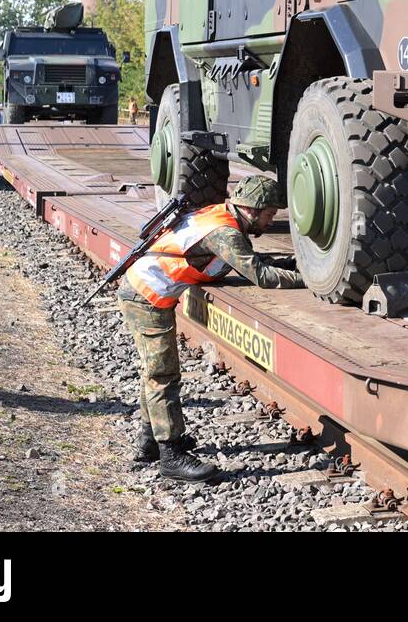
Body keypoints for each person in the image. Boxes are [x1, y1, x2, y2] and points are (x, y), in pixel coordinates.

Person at [116, 176, 304, 481]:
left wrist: (290, 263)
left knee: (154, 372)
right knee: (162, 374)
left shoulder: (218, 215)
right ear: (253, 210)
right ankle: (171, 455)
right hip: (147, 296)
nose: (271, 221)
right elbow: (261, 275)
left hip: (143, 291)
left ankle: (150, 442)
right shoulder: (225, 232)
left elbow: (244, 259)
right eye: (270, 214)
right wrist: (310, 279)